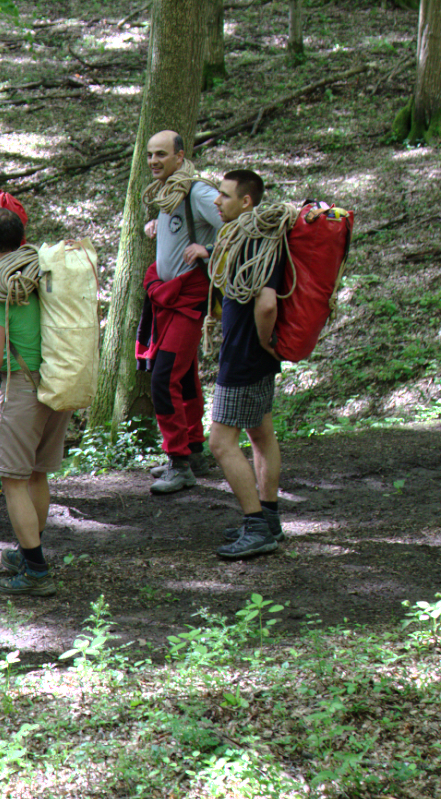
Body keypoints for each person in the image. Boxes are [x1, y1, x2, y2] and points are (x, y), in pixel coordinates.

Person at [0, 208, 69, 597]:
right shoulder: (40, 271)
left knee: (12, 480)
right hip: (58, 380)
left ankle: (36, 570)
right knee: (38, 474)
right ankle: (29, 553)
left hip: (23, 387)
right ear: (21, 238)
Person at [205, 170, 285, 559]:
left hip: (244, 355)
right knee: (261, 433)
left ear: (246, 201)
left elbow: (266, 304)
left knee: (221, 443)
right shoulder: (259, 238)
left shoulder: (254, 241)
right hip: (257, 357)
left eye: (224, 195)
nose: (217, 201)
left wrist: (265, 341)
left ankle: (256, 527)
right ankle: (269, 518)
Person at [138, 130, 223, 495]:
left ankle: (179, 463)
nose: (153, 161)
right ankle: (194, 449)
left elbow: (237, 227)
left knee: (163, 378)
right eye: (150, 155)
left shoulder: (197, 191)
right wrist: (158, 227)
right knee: (184, 376)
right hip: (168, 299)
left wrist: (208, 249)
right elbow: (182, 229)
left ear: (179, 156)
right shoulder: (169, 192)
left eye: (161, 154)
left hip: (188, 301)